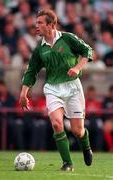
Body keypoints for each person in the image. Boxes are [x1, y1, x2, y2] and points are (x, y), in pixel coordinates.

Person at [19, 9, 93, 172]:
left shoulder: (67, 38)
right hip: (52, 88)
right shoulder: (40, 49)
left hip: (73, 86)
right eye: (36, 22)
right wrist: (24, 92)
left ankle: (86, 145)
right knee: (57, 124)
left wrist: (77, 67)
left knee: (77, 131)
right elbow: (31, 71)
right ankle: (67, 163)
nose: (36, 26)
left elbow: (87, 51)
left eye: (40, 23)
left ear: (51, 25)